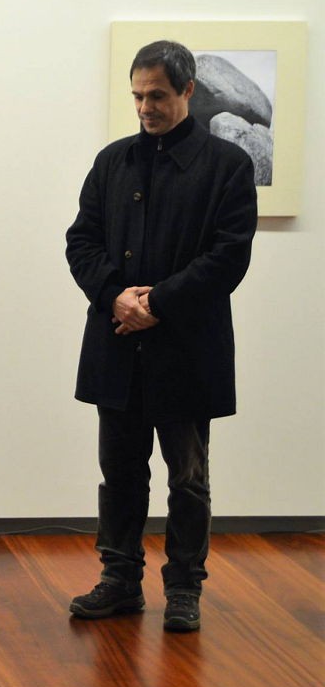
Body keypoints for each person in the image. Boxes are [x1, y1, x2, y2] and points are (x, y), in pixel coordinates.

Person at [65, 40, 257, 632]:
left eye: (157, 96)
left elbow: (228, 257)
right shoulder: (112, 161)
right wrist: (116, 295)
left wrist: (157, 304)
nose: (145, 107)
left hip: (186, 349)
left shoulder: (228, 165)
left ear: (188, 91)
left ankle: (183, 588)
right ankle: (119, 580)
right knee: (120, 473)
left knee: (188, 479)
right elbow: (82, 242)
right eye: (138, 96)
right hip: (118, 341)